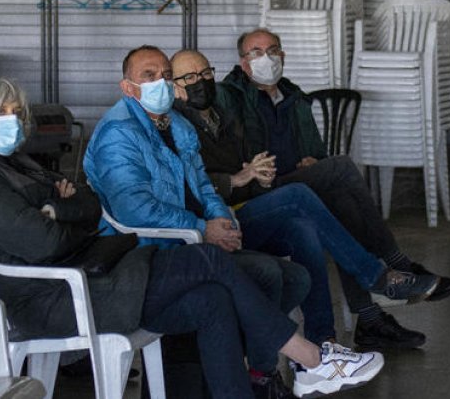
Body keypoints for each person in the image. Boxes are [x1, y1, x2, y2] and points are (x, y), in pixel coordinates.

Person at [0, 76, 383, 399]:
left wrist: (60, 208)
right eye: (1, 113)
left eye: (15, 112)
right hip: (59, 297)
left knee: (212, 298)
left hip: (96, 277)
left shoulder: (8, 164)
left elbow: (89, 204)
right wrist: (58, 209)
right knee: (209, 262)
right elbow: (44, 242)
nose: (14, 120)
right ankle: (311, 359)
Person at [82, 45, 310, 396]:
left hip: (188, 241)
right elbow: (133, 209)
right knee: (264, 275)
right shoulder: (119, 132)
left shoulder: (178, 125)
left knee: (293, 277)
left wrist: (222, 221)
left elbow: (203, 186)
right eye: (149, 75)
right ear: (127, 87)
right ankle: (259, 374)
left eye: (166, 75)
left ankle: (250, 371)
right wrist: (202, 228)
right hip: (144, 252)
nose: (161, 81)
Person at [171, 49, 439, 346]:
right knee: (314, 186)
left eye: (206, 73)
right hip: (217, 222)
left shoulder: (235, 114)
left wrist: (259, 175)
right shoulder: (178, 125)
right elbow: (186, 186)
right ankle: (380, 275)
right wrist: (238, 179)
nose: (201, 82)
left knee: (308, 227)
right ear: (175, 86)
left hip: (249, 205)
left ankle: (323, 342)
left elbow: (253, 168)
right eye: (190, 77)